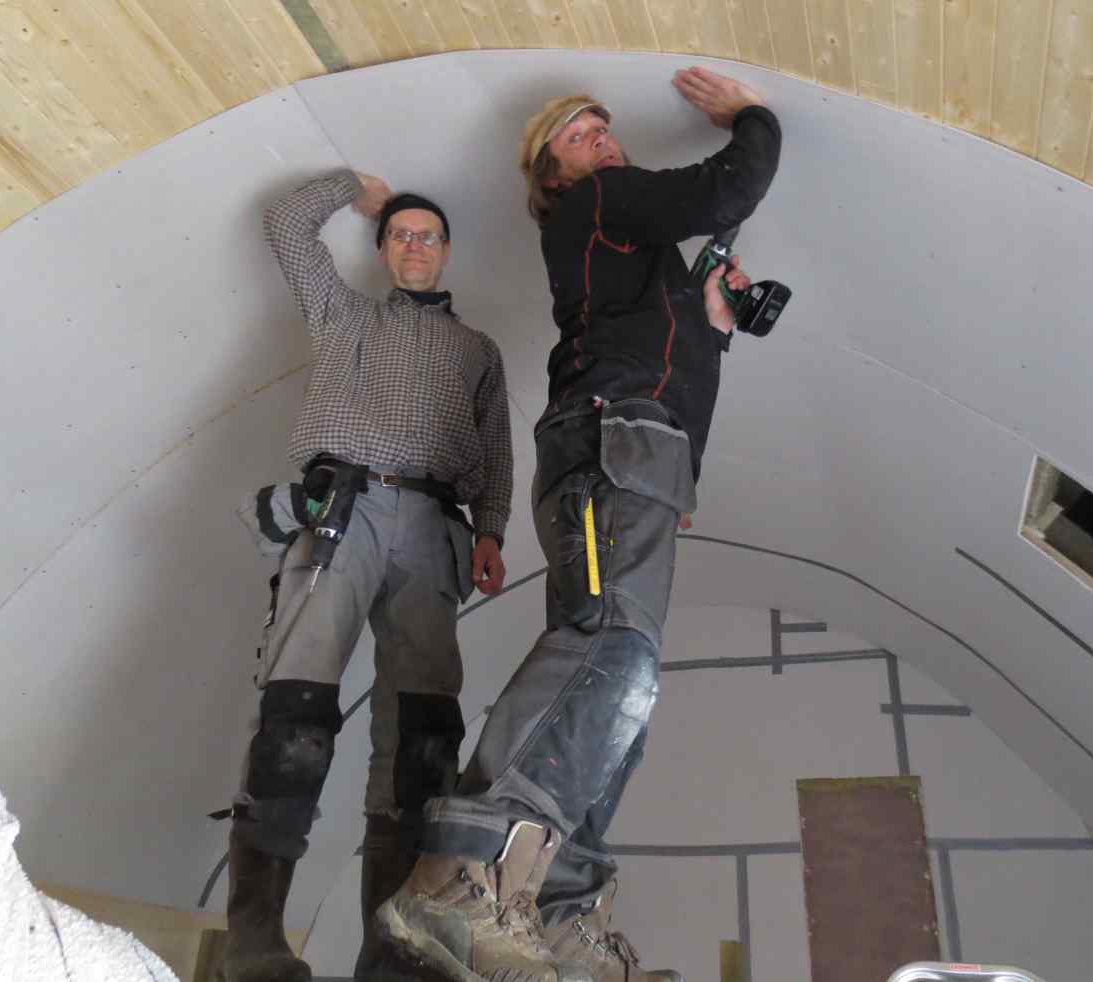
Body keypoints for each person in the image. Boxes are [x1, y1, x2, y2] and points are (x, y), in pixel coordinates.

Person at [376, 67, 781, 982]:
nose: (600, 138)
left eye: (604, 128)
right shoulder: (596, 202)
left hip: (644, 451)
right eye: (576, 134)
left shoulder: (639, 266)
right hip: (608, 442)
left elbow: (679, 369)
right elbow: (729, 188)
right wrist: (752, 117)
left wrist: (713, 325)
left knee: (625, 688)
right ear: (553, 175)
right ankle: (462, 872)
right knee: (609, 649)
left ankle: (556, 905)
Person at [224, 172, 514, 982]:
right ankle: (254, 938)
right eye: (400, 234)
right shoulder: (341, 312)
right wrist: (355, 188)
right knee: (296, 710)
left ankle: (392, 955)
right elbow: (285, 223)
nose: (414, 244)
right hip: (340, 513)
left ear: (446, 250)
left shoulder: (477, 351)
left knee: (425, 737)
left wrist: (491, 529)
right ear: (384, 249)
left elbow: (496, 449)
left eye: (427, 234)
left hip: (433, 527)